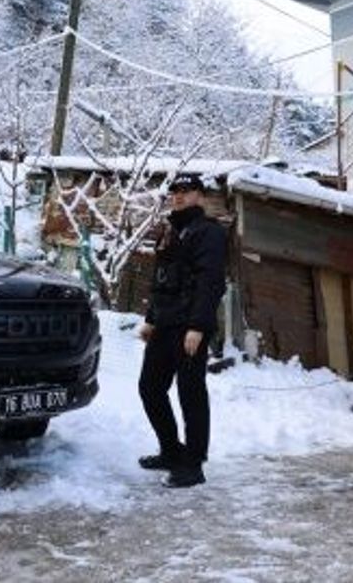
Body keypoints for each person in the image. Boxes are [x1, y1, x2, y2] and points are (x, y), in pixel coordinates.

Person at [137, 172, 227, 488]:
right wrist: (150, 317)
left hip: (189, 328)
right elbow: (160, 279)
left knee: (191, 394)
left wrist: (198, 326)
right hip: (164, 325)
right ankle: (172, 451)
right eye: (175, 190)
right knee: (150, 387)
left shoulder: (209, 232)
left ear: (200, 196)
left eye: (187, 191)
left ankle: (193, 464)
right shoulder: (171, 230)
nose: (179, 195)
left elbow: (210, 282)